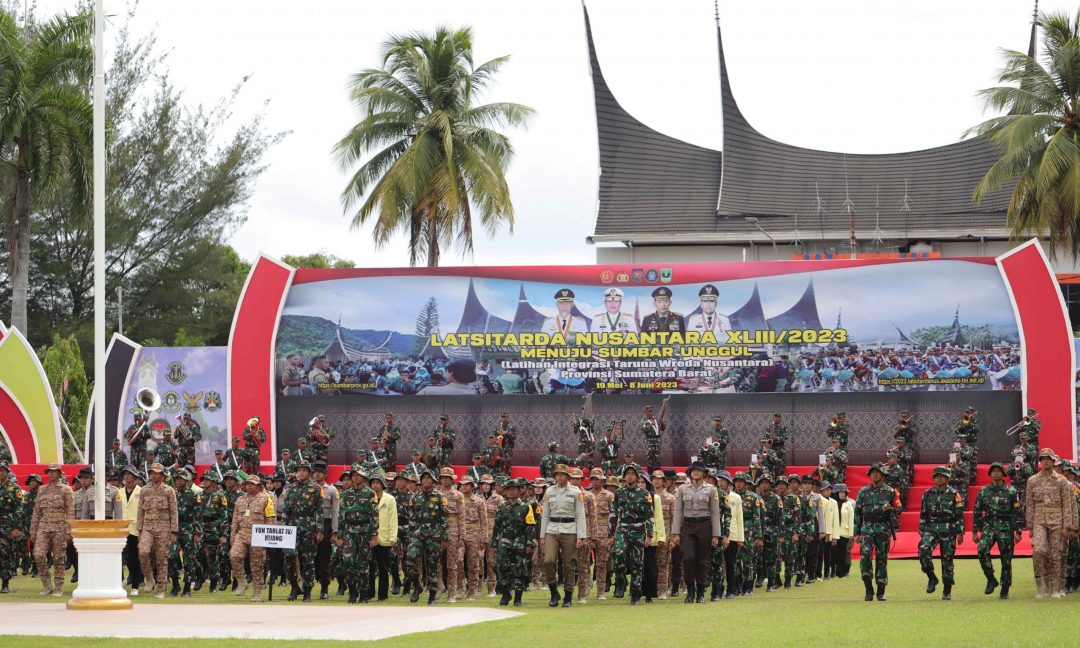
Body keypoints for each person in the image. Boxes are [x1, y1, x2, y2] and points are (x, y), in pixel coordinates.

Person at [1026, 448, 1079, 598]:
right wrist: (1030, 526)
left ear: (1053, 461)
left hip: (1058, 521)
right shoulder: (1032, 480)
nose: (1046, 461)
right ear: (1040, 461)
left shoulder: (1062, 481)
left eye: (1049, 458)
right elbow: (1029, 504)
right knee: (1039, 551)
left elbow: (1068, 504)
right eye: (1043, 458)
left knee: (1057, 554)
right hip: (1039, 520)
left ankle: (1057, 588)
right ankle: (1042, 585)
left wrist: (1068, 526)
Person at [670, 461, 722, 604]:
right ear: (690, 472)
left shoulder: (711, 490)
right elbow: (678, 511)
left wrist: (715, 535)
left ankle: (700, 592)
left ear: (704, 473)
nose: (696, 472)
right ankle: (690, 590)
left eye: (699, 470)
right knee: (688, 558)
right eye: (694, 470)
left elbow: (715, 513)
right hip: (688, 526)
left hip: (704, 525)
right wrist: (675, 533)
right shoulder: (682, 489)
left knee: (702, 561)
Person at [973, 462, 1023, 599]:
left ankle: (1005, 588)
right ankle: (991, 578)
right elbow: (977, 511)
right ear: (990, 474)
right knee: (982, 550)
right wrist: (974, 531)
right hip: (988, 526)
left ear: (1003, 474)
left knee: (1006, 559)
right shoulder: (983, 491)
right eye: (993, 471)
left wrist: (1018, 531)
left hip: (1006, 526)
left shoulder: (1011, 491)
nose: (996, 473)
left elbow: (1017, 511)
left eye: (998, 471)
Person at [539, 463, 587, 607]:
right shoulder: (549, 491)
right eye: (557, 474)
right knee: (548, 561)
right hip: (552, 529)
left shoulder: (575, 492)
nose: (559, 477)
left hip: (570, 529)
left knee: (569, 564)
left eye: (562, 474)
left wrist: (581, 536)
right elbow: (545, 514)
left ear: (567, 477)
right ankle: (554, 591)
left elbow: (580, 514)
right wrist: (542, 536)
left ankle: (568, 596)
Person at [854, 463, 900, 601]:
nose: (874, 474)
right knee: (865, 557)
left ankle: (881, 590)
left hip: (883, 529)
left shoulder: (891, 492)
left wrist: (890, 508)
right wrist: (857, 532)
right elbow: (857, 513)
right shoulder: (863, 491)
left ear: (883, 475)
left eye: (877, 472)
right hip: (867, 529)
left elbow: (899, 508)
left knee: (882, 560)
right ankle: (868, 588)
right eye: (872, 472)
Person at [918, 466, 965, 600]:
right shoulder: (927, 493)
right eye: (936, 476)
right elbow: (923, 513)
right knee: (923, 550)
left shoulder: (954, 494)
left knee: (947, 560)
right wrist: (922, 528)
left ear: (947, 478)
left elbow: (959, 515)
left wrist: (960, 532)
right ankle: (932, 577)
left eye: (942, 476)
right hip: (931, 528)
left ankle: (947, 590)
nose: (939, 478)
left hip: (948, 528)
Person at [609, 465, 653, 604]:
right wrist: (610, 535)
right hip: (623, 528)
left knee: (637, 562)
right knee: (619, 553)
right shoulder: (619, 493)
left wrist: (649, 535)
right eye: (627, 473)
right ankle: (621, 580)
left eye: (632, 474)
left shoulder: (645, 494)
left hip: (638, 529)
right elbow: (613, 514)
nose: (630, 476)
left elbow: (649, 516)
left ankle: (635, 592)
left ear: (637, 477)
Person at [281, 461, 323, 602]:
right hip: (291, 526)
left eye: (304, 470)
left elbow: (319, 510)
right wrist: (283, 526)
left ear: (309, 472)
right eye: (299, 470)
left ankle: (307, 590)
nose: (301, 472)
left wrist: (319, 530)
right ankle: (294, 586)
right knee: (288, 557)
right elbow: (285, 509)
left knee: (307, 559)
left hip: (308, 526)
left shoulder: (316, 488)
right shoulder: (290, 487)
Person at [405, 469, 449, 605]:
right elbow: (411, 518)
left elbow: (445, 519)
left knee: (432, 565)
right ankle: (417, 584)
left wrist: (445, 536)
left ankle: (432, 596)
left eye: (428, 478)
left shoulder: (440, 497)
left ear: (433, 481)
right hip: (418, 533)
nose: (425, 480)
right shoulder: (415, 497)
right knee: (410, 558)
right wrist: (410, 535)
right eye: (423, 478)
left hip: (434, 534)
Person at [135, 462, 178, 599]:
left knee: (161, 558)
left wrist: (174, 531)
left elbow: (174, 511)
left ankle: (161, 588)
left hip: (163, 526)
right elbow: (140, 511)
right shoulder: (144, 490)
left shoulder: (169, 490)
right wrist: (139, 530)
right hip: (147, 525)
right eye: (152, 472)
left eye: (157, 473)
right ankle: (149, 578)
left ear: (162, 475)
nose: (154, 475)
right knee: (143, 551)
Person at [230, 475, 276, 601]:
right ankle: (242, 581)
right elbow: (234, 520)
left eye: (252, 483)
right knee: (234, 555)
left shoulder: (266, 499)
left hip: (259, 534)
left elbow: (270, 518)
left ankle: (257, 592)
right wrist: (233, 536)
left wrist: (268, 537)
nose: (249, 485)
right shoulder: (240, 499)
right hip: (242, 533)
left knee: (257, 565)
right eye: (247, 483)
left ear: (258, 485)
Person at [492, 477, 536, 606]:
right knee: (500, 567)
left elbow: (530, 526)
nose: (511, 492)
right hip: (504, 542)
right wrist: (494, 544)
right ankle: (506, 593)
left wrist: (530, 543)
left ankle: (518, 598)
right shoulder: (502, 507)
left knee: (519, 570)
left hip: (520, 542)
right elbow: (497, 526)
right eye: (509, 489)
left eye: (514, 489)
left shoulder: (526, 507)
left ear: (519, 491)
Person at [338, 466, 378, 604]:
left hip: (364, 531)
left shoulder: (370, 493)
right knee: (348, 561)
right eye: (353, 475)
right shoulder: (345, 494)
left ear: (363, 477)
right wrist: (340, 535)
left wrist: (374, 536)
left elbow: (374, 516)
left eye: (357, 475)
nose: (355, 477)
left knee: (363, 564)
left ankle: (363, 593)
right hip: (349, 531)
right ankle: (352, 590)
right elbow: (341, 515)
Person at [167, 468, 202, 597]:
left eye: (181, 479)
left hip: (189, 531)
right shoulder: (171, 494)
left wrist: (198, 534)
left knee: (189, 560)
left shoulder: (193, 495)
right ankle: (175, 584)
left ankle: (187, 588)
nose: (179, 481)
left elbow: (198, 516)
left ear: (186, 480)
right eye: (177, 479)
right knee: (171, 556)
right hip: (174, 531)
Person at [312, 461, 340, 600]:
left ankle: (324, 588)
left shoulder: (332, 490)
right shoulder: (308, 489)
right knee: (309, 558)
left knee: (324, 557)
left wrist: (334, 531)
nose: (317, 474)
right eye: (315, 471)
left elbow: (335, 512)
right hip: (310, 525)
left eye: (320, 471)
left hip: (326, 524)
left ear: (325, 474)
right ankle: (307, 586)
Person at [200, 469, 231, 592]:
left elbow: (224, 516)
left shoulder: (220, 496)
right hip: (201, 529)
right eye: (204, 479)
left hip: (214, 530)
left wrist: (223, 534)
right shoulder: (199, 495)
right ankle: (202, 573)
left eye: (208, 479)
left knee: (214, 557)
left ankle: (214, 582)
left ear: (214, 482)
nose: (205, 481)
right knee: (198, 553)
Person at [438, 467, 466, 601]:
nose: (445, 480)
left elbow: (462, 516)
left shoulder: (458, 495)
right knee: (436, 560)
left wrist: (462, 536)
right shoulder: (436, 493)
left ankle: (452, 593)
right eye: (442, 477)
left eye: (447, 478)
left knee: (452, 563)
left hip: (453, 528)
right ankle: (438, 587)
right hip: (438, 529)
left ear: (452, 480)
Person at [733, 472, 763, 596]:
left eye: (741, 481)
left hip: (748, 530)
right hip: (734, 530)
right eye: (737, 481)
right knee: (735, 560)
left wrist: (758, 536)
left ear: (746, 484)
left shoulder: (753, 497)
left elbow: (757, 517)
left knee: (748, 560)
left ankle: (748, 586)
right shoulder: (731, 496)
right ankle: (737, 585)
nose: (738, 483)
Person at [114, 465, 143, 596]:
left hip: (135, 529)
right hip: (121, 528)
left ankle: (135, 586)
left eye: (129, 474)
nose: (126, 476)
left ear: (135, 477)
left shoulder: (141, 491)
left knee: (134, 559)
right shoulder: (119, 492)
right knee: (120, 556)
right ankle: (122, 579)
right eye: (125, 474)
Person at [458, 475, 488, 601]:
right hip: (460, 533)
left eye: (467, 484)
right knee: (458, 560)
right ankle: (460, 588)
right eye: (462, 484)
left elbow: (484, 521)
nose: (464, 486)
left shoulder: (479, 502)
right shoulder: (457, 500)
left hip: (474, 533)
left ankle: (473, 590)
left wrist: (484, 539)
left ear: (472, 486)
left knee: (473, 563)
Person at [589, 468, 614, 600]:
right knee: (584, 562)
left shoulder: (609, 495)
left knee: (602, 564)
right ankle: (585, 588)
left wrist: (612, 535)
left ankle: (600, 591)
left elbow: (614, 516)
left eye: (597, 479)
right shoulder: (587, 495)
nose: (594, 481)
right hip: (590, 534)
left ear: (603, 480)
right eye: (592, 479)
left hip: (604, 535)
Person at [0, 461, 24, 593]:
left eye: (3, 470)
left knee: (5, 554)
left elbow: (19, 508)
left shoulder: (14, 488)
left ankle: (5, 584)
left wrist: (17, 527)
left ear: (7, 472)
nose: (1, 472)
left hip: (7, 526)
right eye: (0, 470)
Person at [480, 474, 504, 597]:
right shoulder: (477, 498)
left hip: (494, 532)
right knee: (477, 560)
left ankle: (492, 587)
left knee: (491, 561)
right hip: (478, 532)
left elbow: (503, 516)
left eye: (488, 484)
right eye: (484, 484)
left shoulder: (498, 498)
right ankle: (477, 586)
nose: (486, 486)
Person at [834, 484, 855, 578]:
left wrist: (851, 534)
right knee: (834, 553)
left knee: (843, 553)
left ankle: (842, 572)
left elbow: (851, 520)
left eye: (844, 492)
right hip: (834, 532)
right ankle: (834, 571)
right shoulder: (833, 503)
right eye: (840, 492)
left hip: (845, 533)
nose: (842, 494)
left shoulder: (849, 504)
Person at [640, 405, 664, 472]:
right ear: (645, 412)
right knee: (650, 458)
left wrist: (662, 424)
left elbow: (662, 429)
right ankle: (650, 474)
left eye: (652, 411)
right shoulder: (644, 421)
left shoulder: (656, 419)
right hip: (650, 442)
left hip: (657, 441)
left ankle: (657, 473)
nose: (651, 412)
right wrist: (651, 424)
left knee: (658, 458)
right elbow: (643, 429)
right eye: (649, 411)